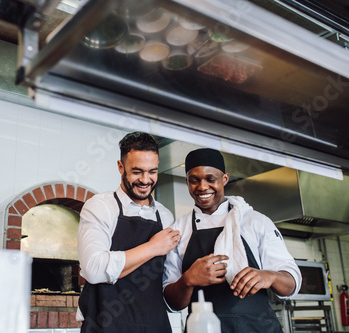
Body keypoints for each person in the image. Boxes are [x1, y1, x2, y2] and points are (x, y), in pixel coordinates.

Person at [163, 148, 301, 333]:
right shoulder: (179, 230)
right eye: (194, 180)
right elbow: (172, 303)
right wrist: (188, 280)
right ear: (187, 181)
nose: (202, 187)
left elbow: (291, 283)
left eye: (211, 179)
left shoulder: (255, 221)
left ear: (225, 179)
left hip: (258, 327)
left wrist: (270, 276)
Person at [77, 131, 181, 333]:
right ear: (120, 167)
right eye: (137, 171)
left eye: (152, 171)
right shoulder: (100, 207)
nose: (145, 180)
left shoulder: (165, 216)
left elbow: (168, 282)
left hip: (154, 327)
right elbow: (94, 268)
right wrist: (153, 248)